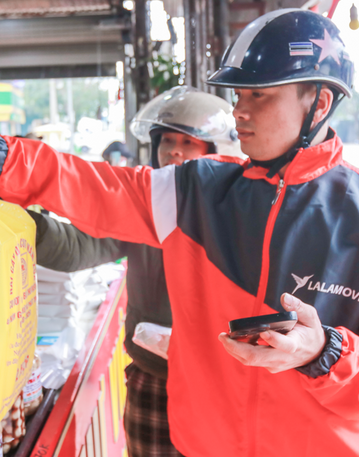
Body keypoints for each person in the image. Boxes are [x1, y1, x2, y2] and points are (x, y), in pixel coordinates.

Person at [0, 9, 359, 456]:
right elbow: (95, 186)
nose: (238, 110)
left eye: (259, 96)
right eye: (238, 94)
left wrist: (324, 351)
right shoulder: (195, 191)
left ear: (320, 104)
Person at [28, 87, 237, 457]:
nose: (174, 150)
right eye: (167, 140)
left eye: (189, 142)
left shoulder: (241, 218)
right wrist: (20, 224)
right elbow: (78, 247)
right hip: (154, 380)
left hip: (224, 387)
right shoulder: (145, 209)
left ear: (214, 153)